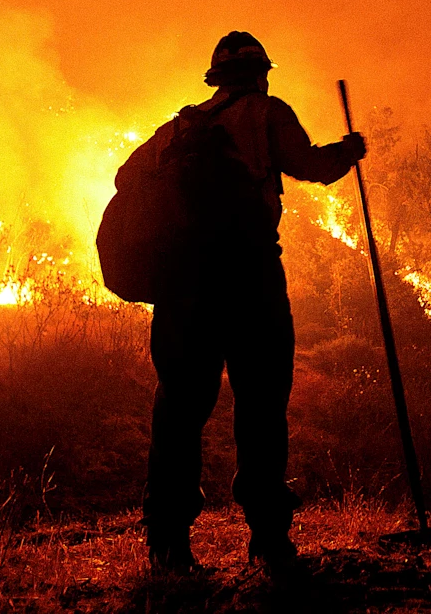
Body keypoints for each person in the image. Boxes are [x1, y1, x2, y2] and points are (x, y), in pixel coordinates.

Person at [125, 31, 365, 574]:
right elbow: (311, 166)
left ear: (214, 79)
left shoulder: (181, 125)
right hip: (250, 276)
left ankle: (167, 543)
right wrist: (349, 150)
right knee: (260, 405)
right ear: (262, 73)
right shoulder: (266, 112)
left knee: (179, 410)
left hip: (184, 284)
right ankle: (269, 541)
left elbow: (126, 177)